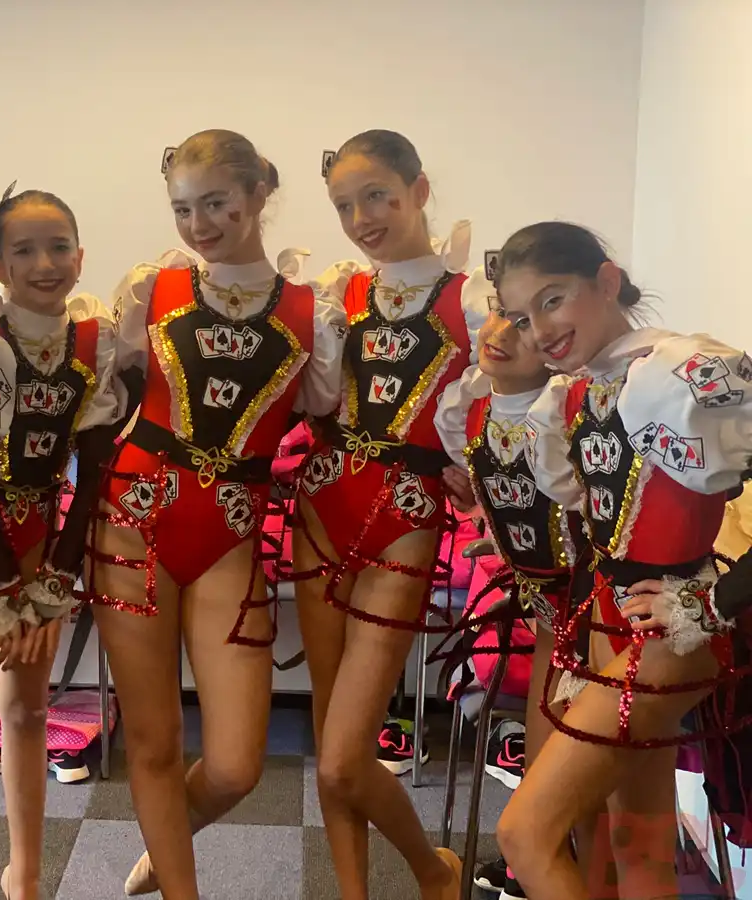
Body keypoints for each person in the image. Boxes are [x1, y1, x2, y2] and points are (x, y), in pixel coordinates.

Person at [84, 128, 344, 900]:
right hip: (133, 514)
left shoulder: (313, 311)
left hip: (231, 532)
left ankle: (169, 842)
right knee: (155, 742)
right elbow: (100, 399)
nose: (198, 225)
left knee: (235, 764)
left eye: (216, 204)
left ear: (258, 194)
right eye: (182, 209)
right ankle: (181, 886)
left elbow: (331, 415)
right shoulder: (152, 289)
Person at [490, 222, 752, 900]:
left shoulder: (679, 373)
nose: (540, 329)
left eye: (553, 299)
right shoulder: (574, 394)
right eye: (523, 316)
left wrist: (717, 600)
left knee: (525, 833)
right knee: (638, 852)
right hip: (609, 626)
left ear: (606, 282)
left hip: (671, 639)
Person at [292, 130, 486, 900]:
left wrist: (473, 464)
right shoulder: (338, 294)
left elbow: (510, 403)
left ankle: (433, 871)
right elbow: (312, 400)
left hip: (405, 520)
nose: (361, 219)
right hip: (320, 508)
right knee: (327, 744)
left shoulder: (473, 298)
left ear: (419, 189)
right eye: (344, 205)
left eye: (376, 196)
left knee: (346, 755)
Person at [0, 187, 129, 900]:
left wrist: (54, 584)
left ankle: (27, 877)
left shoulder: (97, 342)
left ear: (80, 255)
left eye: (59, 247)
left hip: (41, 540)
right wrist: (9, 589)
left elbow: (93, 469)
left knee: (29, 712)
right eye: (25, 250)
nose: (45, 264)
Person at [434, 271, 590, 900]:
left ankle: (560, 868)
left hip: (598, 613)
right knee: (543, 758)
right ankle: (539, 871)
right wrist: (491, 526)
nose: (499, 331)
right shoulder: (471, 408)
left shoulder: (573, 411)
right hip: (548, 610)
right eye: (501, 312)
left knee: (583, 787)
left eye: (525, 323)